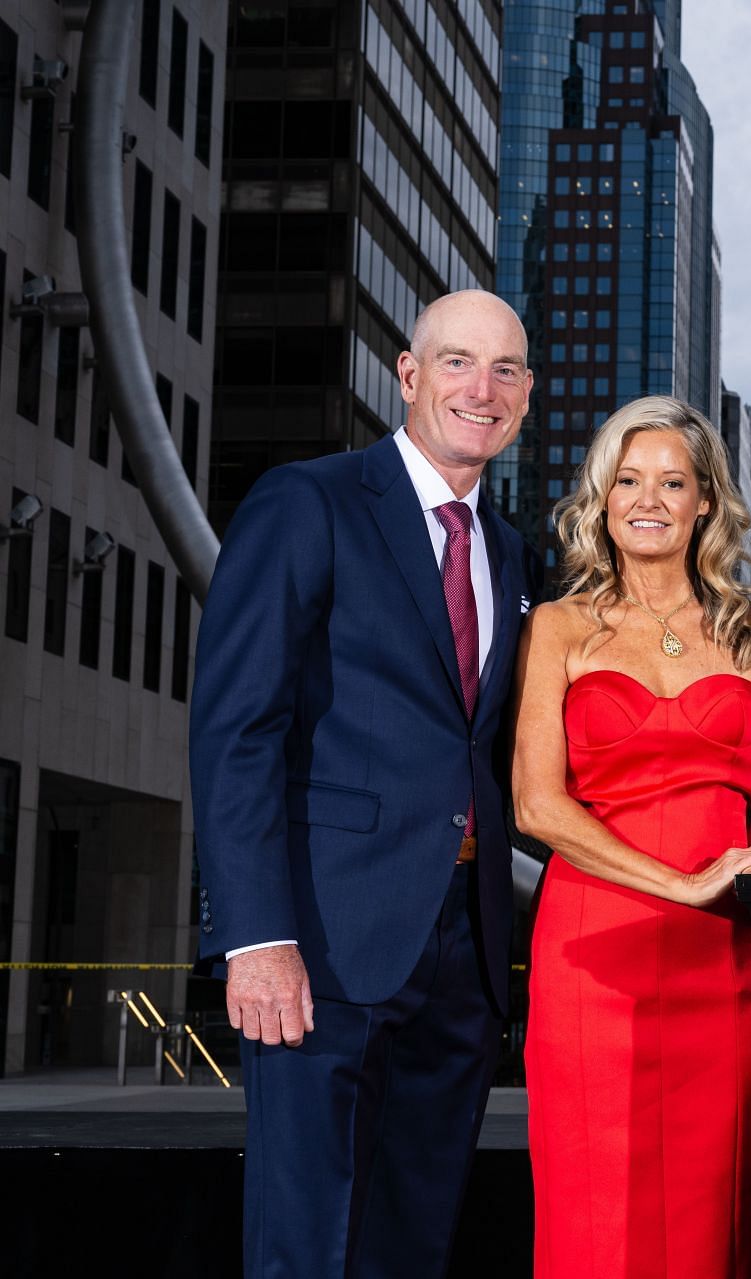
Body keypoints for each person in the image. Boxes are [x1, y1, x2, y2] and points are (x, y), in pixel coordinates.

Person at [190, 291, 536, 1273]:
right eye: (458, 361)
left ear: (526, 395)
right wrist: (256, 934)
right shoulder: (311, 500)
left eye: (506, 369)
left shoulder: (509, 553)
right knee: (307, 1241)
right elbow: (237, 726)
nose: (483, 387)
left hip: (463, 950)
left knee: (410, 1237)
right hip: (322, 939)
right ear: (409, 373)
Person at [512, 396, 751, 1278]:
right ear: (600, 499)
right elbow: (535, 804)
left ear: (705, 502)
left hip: (725, 958)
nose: (649, 498)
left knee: (719, 1209)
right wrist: (680, 881)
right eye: (628, 480)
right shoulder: (556, 627)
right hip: (594, 955)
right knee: (597, 1212)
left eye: (672, 481)